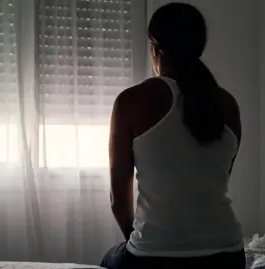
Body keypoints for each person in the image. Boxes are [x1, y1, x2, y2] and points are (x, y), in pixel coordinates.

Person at [100, 3, 245, 269]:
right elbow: (211, 184)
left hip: (153, 258)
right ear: (199, 48)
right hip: (228, 255)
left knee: (108, 259)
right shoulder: (228, 105)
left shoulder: (130, 101)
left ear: (155, 48)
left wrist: (143, 242)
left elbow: (118, 200)